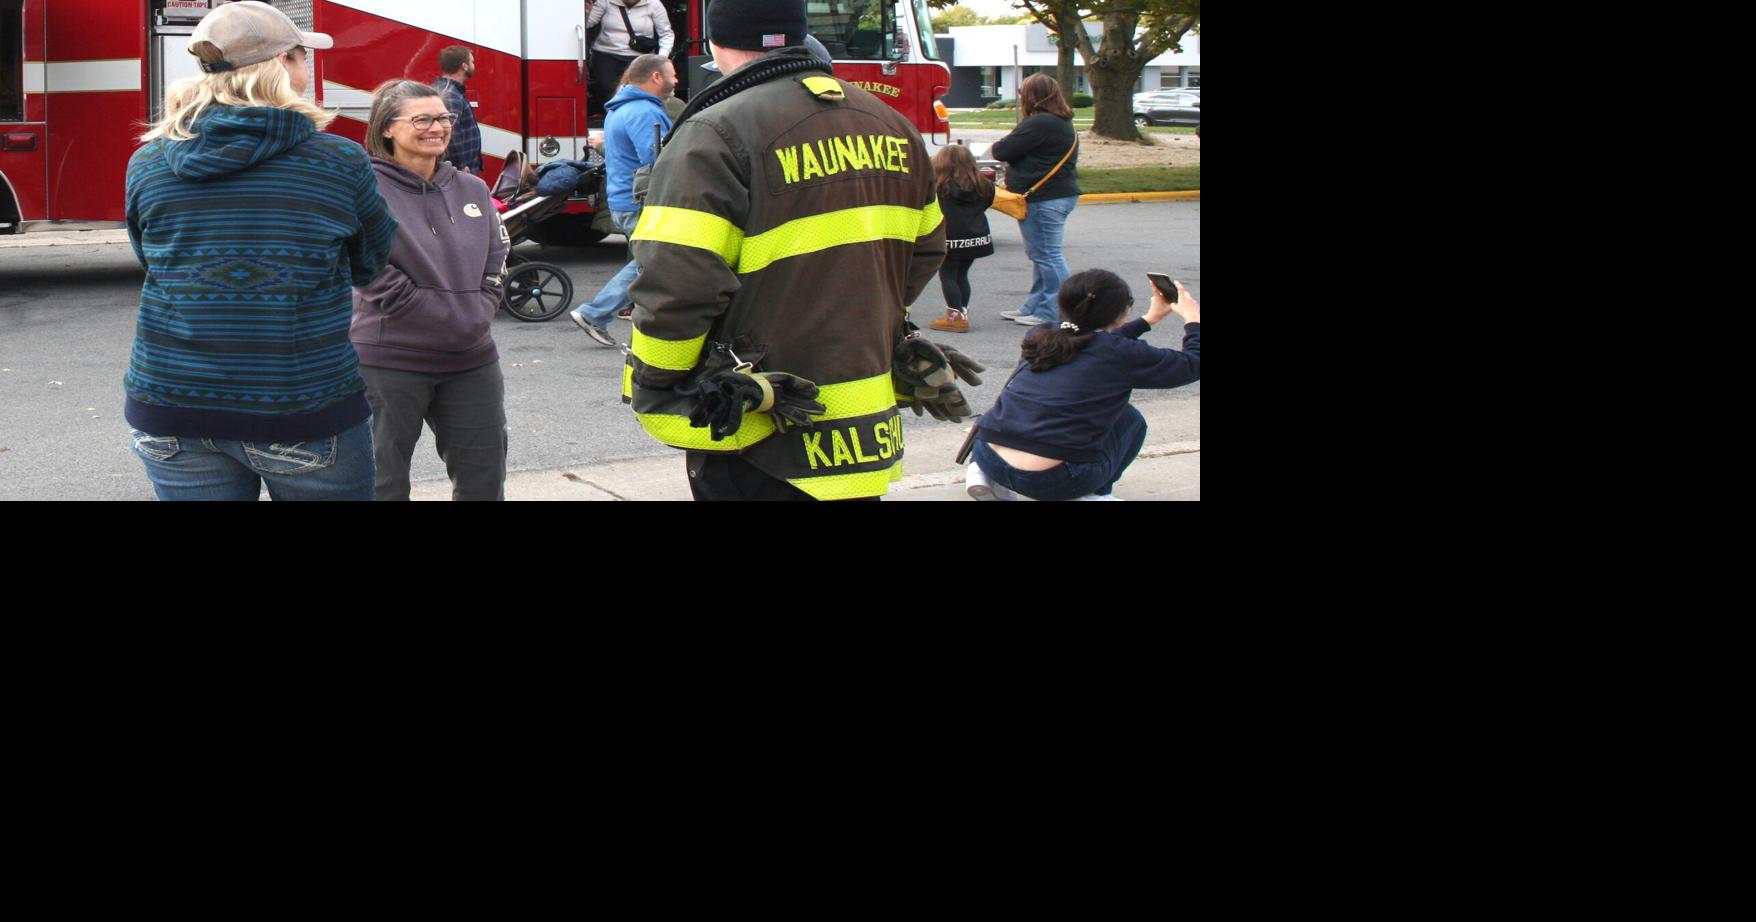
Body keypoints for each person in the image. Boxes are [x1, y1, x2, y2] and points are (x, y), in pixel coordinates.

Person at [624, 0, 951, 501]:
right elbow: (924, 250)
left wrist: (661, 387)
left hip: (762, 432)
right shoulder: (892, 124)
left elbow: (678, 282)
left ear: (714, 42)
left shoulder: (714, 134)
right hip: (863, 434)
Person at [123, 1, 397, 501]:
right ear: (283, 64)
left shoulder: (148, 161)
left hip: (169, 405)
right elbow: (370, 262)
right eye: (302, 56)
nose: (307, 67)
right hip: (299, 405)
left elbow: (156, 261)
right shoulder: (337, 160)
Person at [350, 80, 511, 501]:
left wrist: (477, 312)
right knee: (382, 482)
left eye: (443, 118)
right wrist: (452, 316)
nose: (436, 127)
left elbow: (497, 258)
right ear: (387, 127)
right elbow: (369, 270)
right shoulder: (363, 190)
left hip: (471, 359)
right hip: (390, 361)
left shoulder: (472, 188)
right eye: (421, 119)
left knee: (484, 480)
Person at [966, 269, 1201, 501]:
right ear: (1120, 311)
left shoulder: (1042, 333)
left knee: (1027, 407)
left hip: (989, 456)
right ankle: (1092, 494)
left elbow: (1092, 339)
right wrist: (1193, 320)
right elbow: (1192, 364)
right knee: (1130, 419)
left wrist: (1149, 320)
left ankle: (980, 474)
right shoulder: (1119, 354)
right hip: (1055, 480)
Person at [568, 53, 675, 347]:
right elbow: (659, 160)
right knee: (652, 261)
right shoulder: (644, 112)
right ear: (656, 77)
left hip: (623, 198)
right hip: (640, 200)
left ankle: (604, 314)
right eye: (672, 75)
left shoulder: (622, 107)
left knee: (651, 261)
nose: (676, 80)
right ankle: (595, 313)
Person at [991, 73, 1081, 328]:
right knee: (1041, 254)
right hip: (1057, 195)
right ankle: (1035, 305)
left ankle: (1054, 311)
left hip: (1044, 198)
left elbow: (1002, 150)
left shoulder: (1039, 123)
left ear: (1032, 96)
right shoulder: (1062, 122)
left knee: (1047, 255)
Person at [926, 143, 995, 334]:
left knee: (948, 275)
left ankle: (954, 317)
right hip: (975, 236)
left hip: (949, 236)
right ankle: (962, 311)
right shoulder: (984, 185)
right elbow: (986, 204)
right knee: (962, 274)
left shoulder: (938, 186)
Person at [586, 0, 674, 121]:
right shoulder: (605, 2)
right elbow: (587, 23)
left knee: (638, 94)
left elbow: (666, 34)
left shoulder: (654, 4)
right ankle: (613, 121)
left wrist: (661, 59)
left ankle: (634, 121)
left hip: (639, 58)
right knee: (608, 91)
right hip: (606, 55)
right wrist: (585, 12)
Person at [433, 44, 482, 174]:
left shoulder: (451, 91)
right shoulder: (450, 95)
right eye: (472, 61)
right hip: (459, 171)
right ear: (464, 66)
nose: (473, 65)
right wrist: (460, 166)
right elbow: (451, 133)